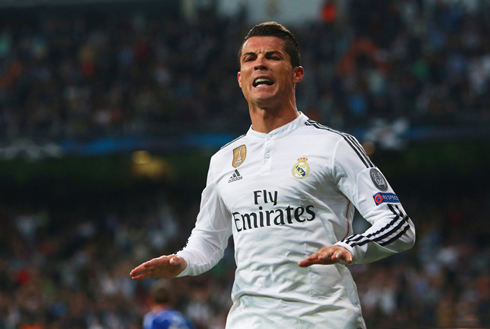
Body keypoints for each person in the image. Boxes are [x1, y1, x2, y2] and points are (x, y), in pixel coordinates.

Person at [131, 21, 416, 328]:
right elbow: (209, 240)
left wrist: (349, 247)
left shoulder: (334, 146)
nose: (260, 64)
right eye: (250, 59)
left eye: (273, 56)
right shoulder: (223, 160)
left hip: (324, 320)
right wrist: (182, 261)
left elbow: (399, 225)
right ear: (241, 80)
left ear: (297, 74)